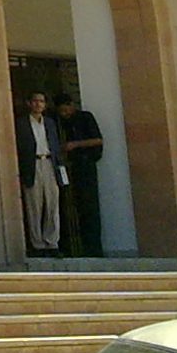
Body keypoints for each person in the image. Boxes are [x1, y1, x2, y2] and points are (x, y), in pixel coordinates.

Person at [56, 94, 108, 256]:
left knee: (89, 206)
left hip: (85, 165)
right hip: (69, 167)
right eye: (61, 111)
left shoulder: (85, 117)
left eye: (66, 110)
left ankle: (93, 248)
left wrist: (75, 145)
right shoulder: (59, 122)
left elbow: (98, 140)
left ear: (72, 105)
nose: (64, 114)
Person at [16, 91, 63, 255]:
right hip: (32, 164)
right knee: (34, 205)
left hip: (49, 163)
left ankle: (52, 242)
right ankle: (37, 244)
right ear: (29, 103)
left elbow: (55, 144)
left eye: (41, 101)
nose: (38, 104)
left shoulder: (50, 123)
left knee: (52, 204)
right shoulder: (21, 123)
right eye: (35, 101)